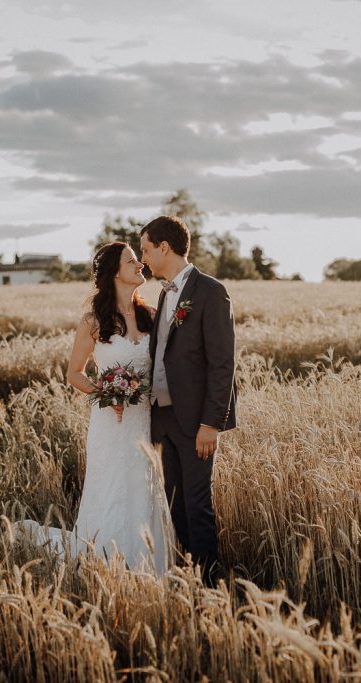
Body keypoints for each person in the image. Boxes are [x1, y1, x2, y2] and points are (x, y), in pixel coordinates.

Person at [17, 241, 172, 576]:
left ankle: (149, 562)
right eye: (132, 261)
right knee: (112, 485)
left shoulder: (153, 317)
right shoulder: (93, 321)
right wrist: (106, 390)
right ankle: (105, 561)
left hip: (145, 419)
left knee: (145, 484)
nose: (140, 265)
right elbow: (74, 373)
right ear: (114, 272)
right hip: (109, 421)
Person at [139, 216, 237, 586]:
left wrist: (211, 423)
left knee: (198, 507)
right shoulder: (164, 293)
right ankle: (186, 580)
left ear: (164, 247)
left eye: (146, 249)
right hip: (162, 419)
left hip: (196, 423)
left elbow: (222, 363)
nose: (144, 258)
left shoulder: (211, 291)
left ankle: (210, 587)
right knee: (174, 507)